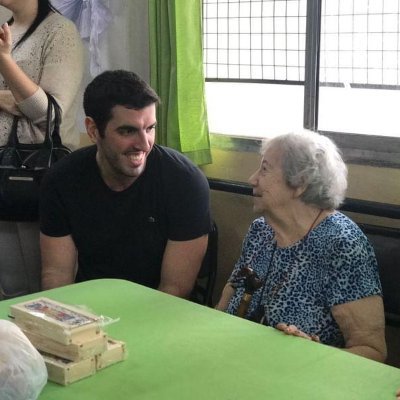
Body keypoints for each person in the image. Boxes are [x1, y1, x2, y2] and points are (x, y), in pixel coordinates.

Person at [216, 130, 387, 362]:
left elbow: (372, 351)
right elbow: (224, 309)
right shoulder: (261, 230)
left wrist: (312, 356)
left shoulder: (341, 244)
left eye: (265, 169)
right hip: (238, 360)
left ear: (300, 183)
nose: (252, 179)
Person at [40, 69, 211, 298]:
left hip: (159, 312)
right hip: (88, 311)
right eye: (128, 131)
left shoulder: (185, 182)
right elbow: (56, 276)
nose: (143, 143)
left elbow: (174, 290)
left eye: (150, 128)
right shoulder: (61, 180)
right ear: (92, 130)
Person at [0, 0, 84, 298]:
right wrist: (13, 97)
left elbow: (47, 113)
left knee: (45, 290)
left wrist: (5, 61)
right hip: (4, 170)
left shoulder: (60, 32)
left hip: (42, 172)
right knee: (10, 287)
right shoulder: (6, 30)